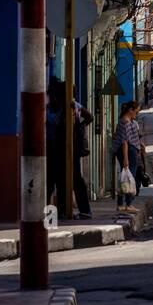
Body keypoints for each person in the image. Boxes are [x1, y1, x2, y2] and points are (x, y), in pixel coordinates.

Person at [49, 79, 93, 220]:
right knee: (69, 180)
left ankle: (66, 211)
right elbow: (89, 117)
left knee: (64, 180)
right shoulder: (76, 106)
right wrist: (81, 124)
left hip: (62, 149)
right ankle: (73, 210)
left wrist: (78, 125)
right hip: (69, 149)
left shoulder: (69, 106)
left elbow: (54, 122)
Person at [113, 101, 146, 208]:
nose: (136, 114)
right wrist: (126, 158)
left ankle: (122, 204)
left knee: (126, 177)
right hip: (129, 152)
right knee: (129, 178)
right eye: (135, 112)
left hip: (130, 151)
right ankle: (128, 203)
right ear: (130, 110)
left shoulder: (125, 121)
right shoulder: (126, 122)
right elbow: (124, 141)